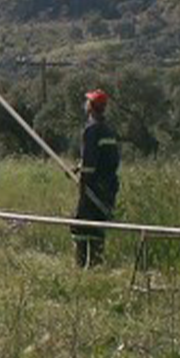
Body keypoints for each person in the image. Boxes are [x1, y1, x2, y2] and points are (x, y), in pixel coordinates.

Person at [71, 89, 120, 267]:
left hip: (93, 188)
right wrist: (78, 166)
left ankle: (81, 267)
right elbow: (106, 159)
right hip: (108, 187)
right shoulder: (108, 130)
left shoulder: (91, 130)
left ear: (91, 107)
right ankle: (97, 267)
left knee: (81, 227)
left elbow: (90, 164)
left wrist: (83, 182)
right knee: (98, 227)